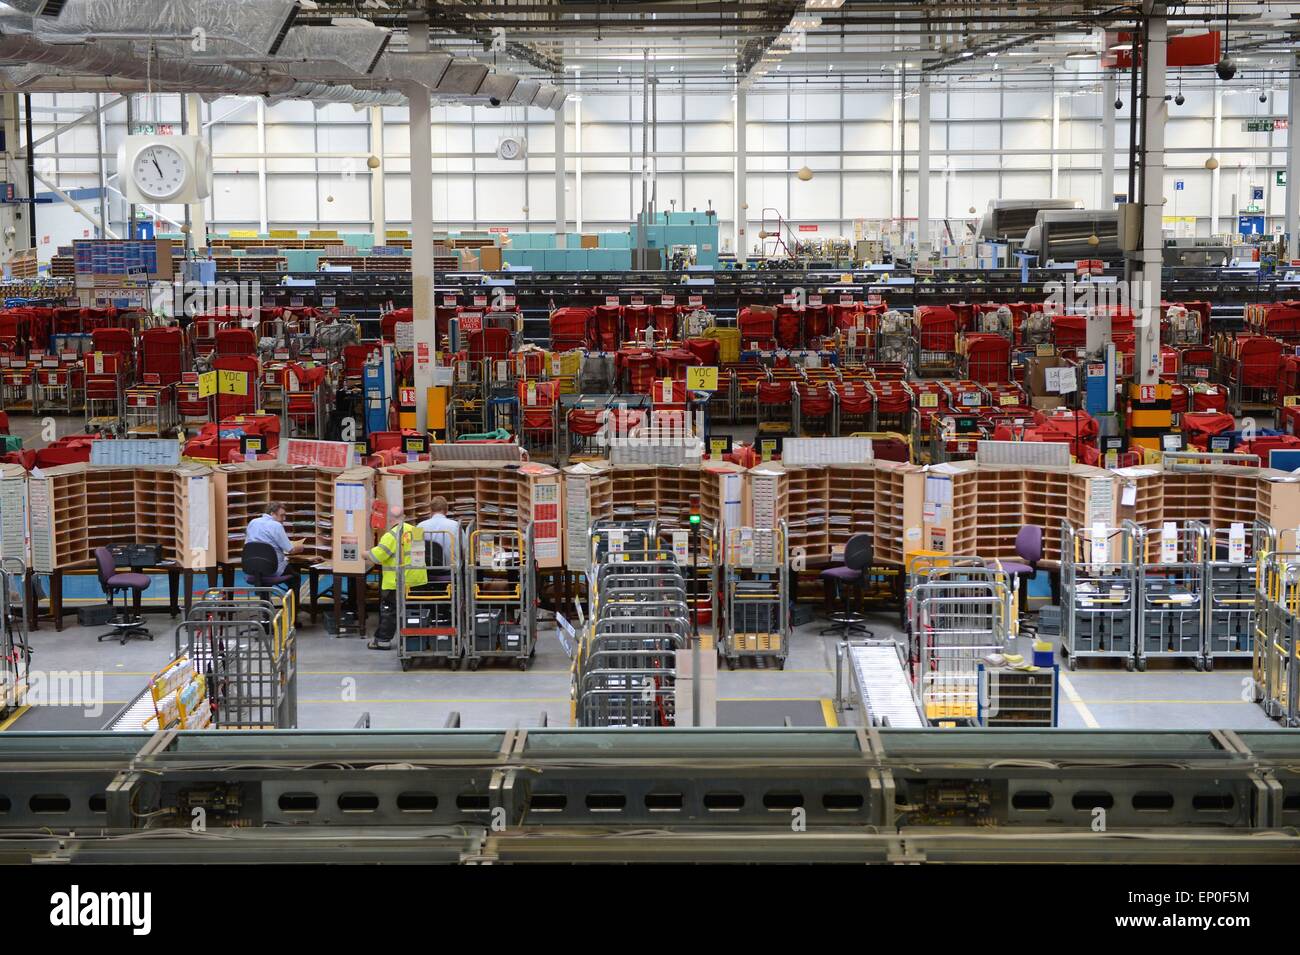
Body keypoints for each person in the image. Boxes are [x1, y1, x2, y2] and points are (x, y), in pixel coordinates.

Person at [368, 517, 427, 650]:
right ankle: (417, 641)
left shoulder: (391, 535)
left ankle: (383, 641)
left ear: (390, 520)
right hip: (416, 580)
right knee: (414, 611)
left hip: (395, 582)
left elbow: (378, 557)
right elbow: (418, 557)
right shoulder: (416, 531)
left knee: (390, 611)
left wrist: (366, 553)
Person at [245, 502, 307, 597]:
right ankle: (294, 609)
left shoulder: (253, 522)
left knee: (266, 572)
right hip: (273, 569)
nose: (284, 519)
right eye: (282, 515)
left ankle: (265, 606)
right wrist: (301, 547)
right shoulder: (276, 525)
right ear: (272, 514)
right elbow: (290, 550)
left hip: (253, 568)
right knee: (295, 577)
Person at [417, 496, 460, 568]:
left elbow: (416, 551)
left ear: (430, 510)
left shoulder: (420, 526)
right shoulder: (456, 525)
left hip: (427, 570)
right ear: (446, 510)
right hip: (451, 570)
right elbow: (465, 549)